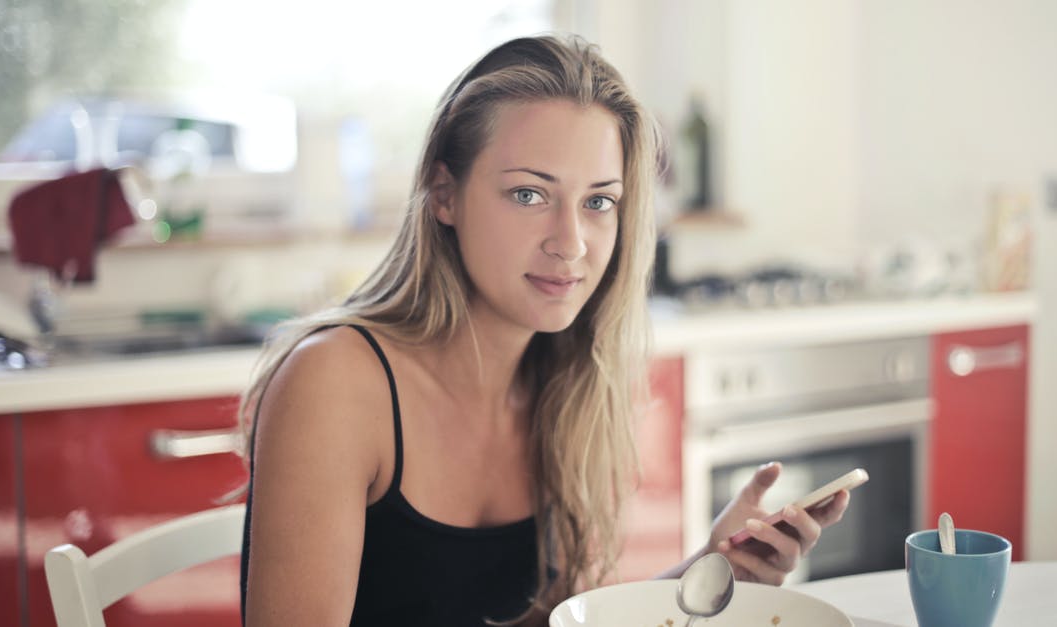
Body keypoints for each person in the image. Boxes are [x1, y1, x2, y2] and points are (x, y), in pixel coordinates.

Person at [238, 34, 851, 627]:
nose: (571, 243)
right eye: (529, 194)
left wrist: (713, 575)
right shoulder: (337, 382)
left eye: (599, 201)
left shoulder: (565, 383)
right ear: (444, 194)